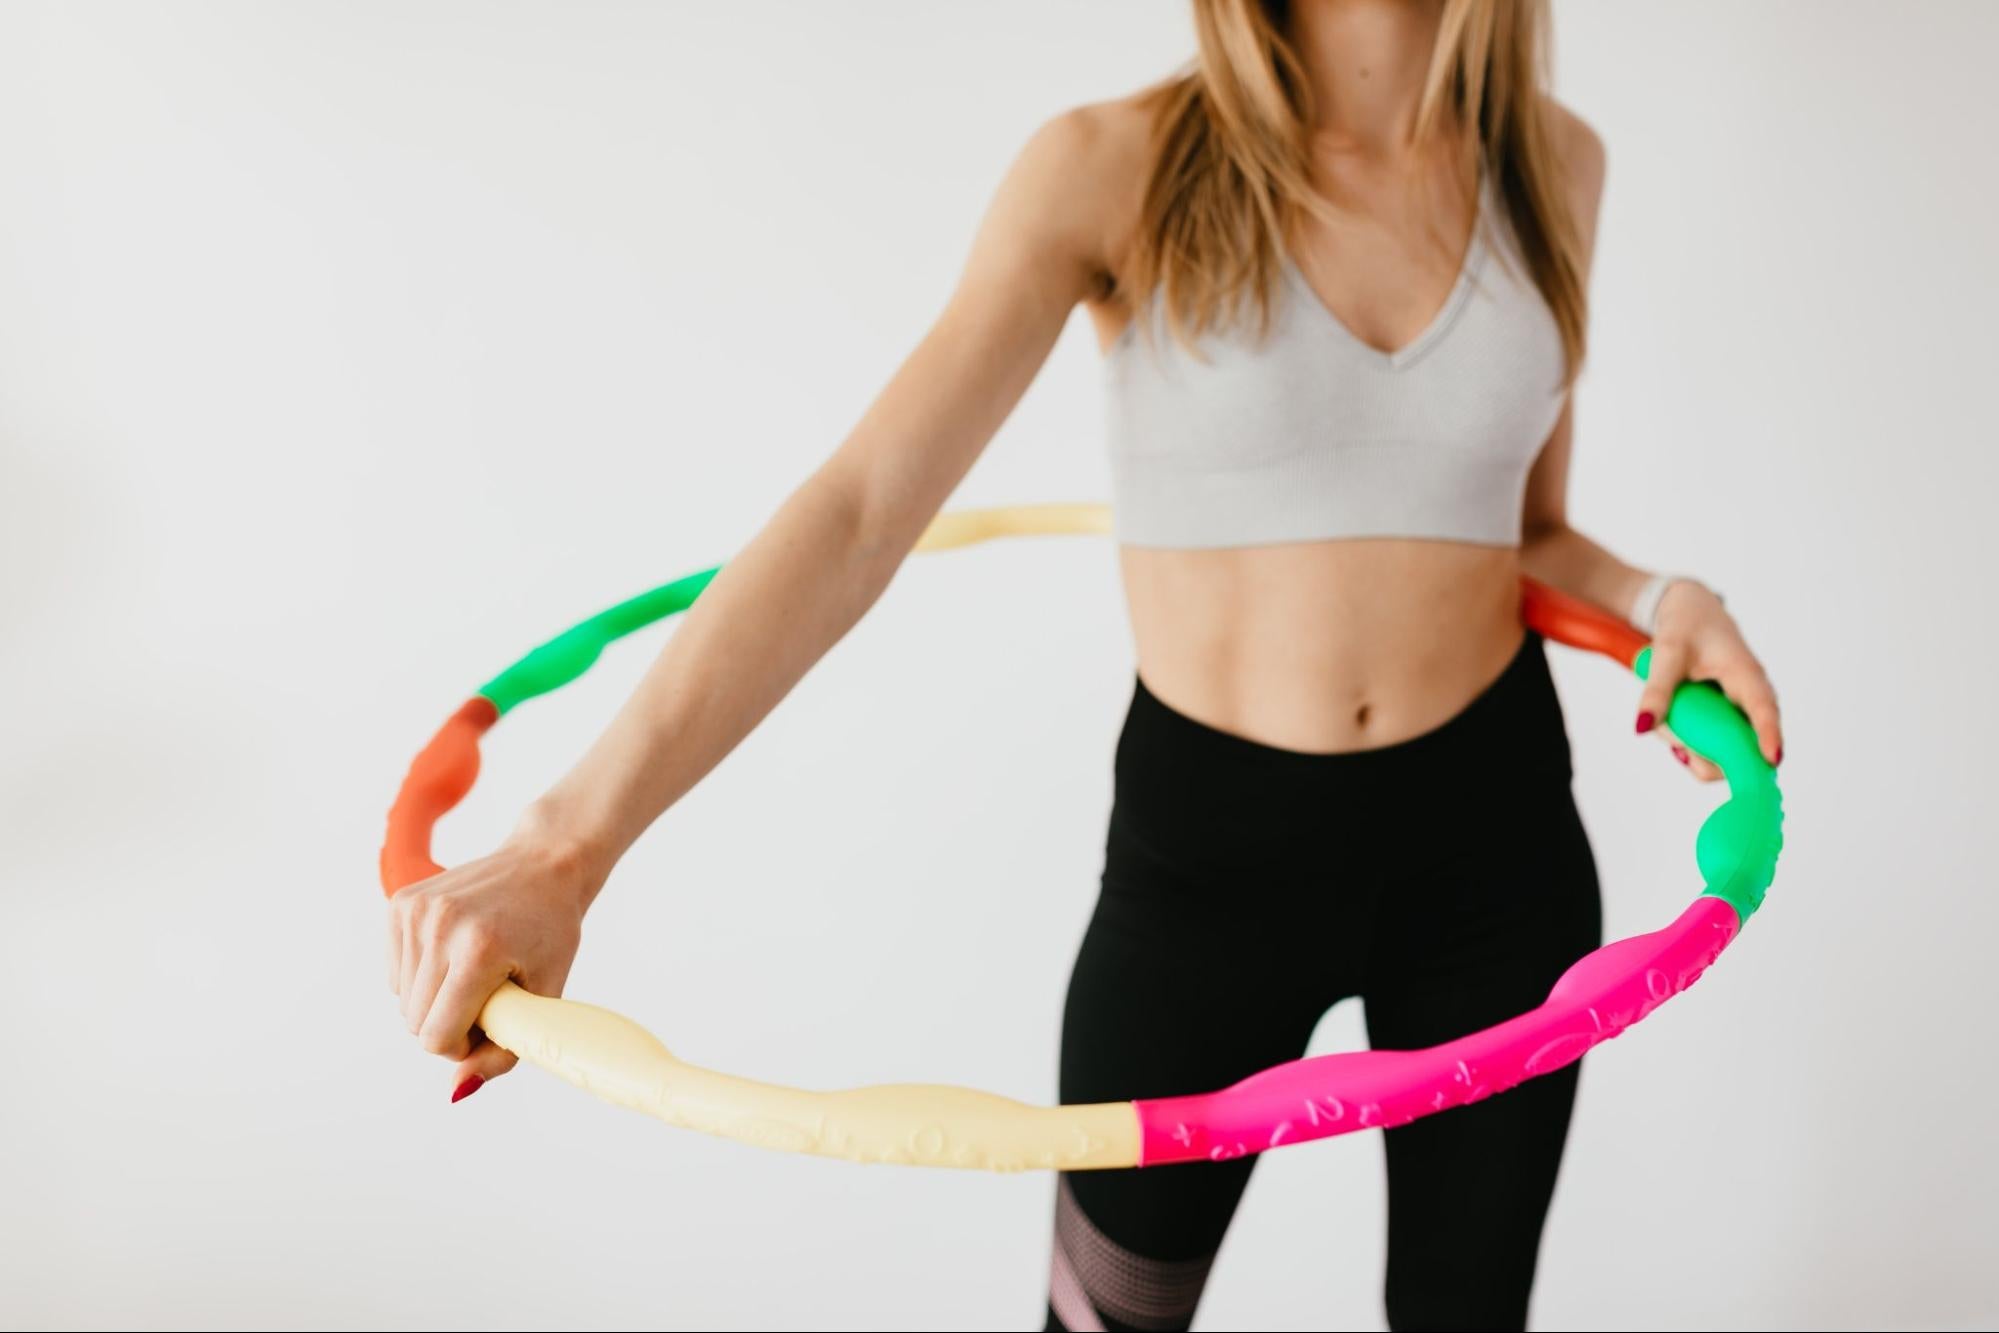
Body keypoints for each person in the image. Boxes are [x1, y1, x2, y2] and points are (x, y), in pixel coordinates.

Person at [385, 1, 1784, 1327]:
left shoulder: (1555, 164)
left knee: (1465, 1313)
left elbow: (1523, 529)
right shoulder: (1114, 167)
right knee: (1108, 1316)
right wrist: (566, 844)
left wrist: (1665, 595)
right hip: (1210, 870)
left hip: (1497, 848)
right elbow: (866, 510)